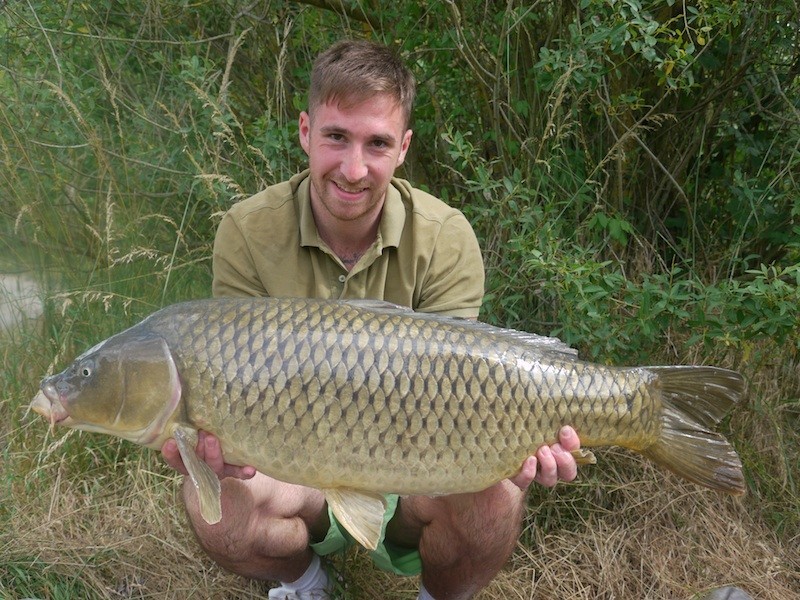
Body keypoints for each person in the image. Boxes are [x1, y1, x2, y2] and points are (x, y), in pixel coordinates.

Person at [162, 39, 582, 600]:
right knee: (210, 497)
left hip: (418, 472)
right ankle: (304, 582)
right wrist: (209, 442)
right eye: (337, 137)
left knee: (498, 497)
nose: (354, 169)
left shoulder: (446, 236)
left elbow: (462, 384)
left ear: (403, 148)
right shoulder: (246, 231)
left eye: (377, 144)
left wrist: (521, 440)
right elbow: (230, 381)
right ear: (306, 131)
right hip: (298, 476)